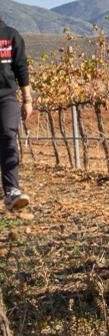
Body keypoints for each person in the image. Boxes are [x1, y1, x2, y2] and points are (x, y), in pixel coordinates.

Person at [0, 17, 32, 211]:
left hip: (6, 98)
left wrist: (27, 100)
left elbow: (21, 68)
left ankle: (12, 191)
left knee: (8, 137)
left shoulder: (11, 35)